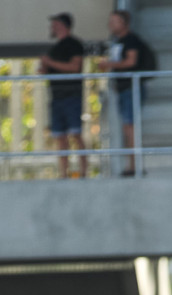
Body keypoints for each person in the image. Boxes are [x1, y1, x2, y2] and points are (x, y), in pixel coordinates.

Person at [96, 10, 152, 176]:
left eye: (114, 21)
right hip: (123, 89)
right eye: (110, 21)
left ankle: (135, 166)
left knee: (130, 127)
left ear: (124, 23)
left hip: (131, 89)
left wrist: (109, 64)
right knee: (127, 127)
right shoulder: (118, 41)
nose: (111, 25)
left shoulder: (131, 40)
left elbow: (131, 61)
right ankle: (132, 165)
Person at [42, 14, 88, 178]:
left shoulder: (74, 44)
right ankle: (63, 173)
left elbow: (75, 67)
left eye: (54, 24)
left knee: (76, 134)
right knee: (59, 136)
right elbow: (47, 70)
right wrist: (45, 67)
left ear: (62, 25)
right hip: (56, 97)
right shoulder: (55, 48)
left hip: (71, 95)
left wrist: (50, 63)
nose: (52, 28)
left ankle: (83, 172)